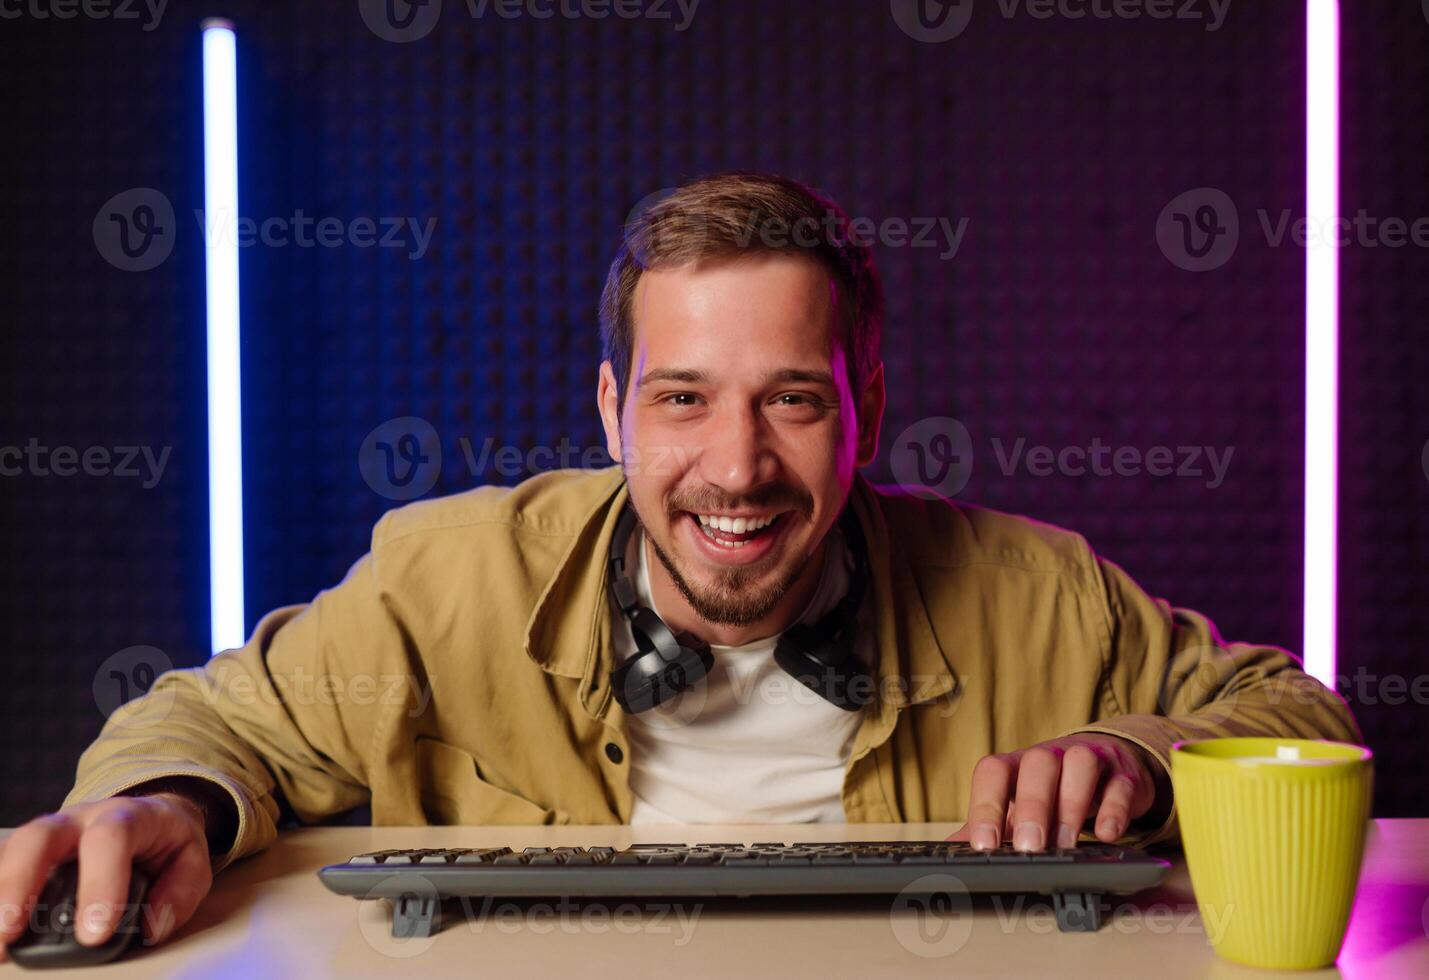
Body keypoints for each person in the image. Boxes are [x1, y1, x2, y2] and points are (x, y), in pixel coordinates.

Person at [0, 171, 1359, 956]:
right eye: (683, 399)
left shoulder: (1035, 595)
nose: (737, 467)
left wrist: (1132, 749)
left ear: (866, 411)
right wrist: (165, 800)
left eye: (793, 399)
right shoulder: (443, 582)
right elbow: (207, 723)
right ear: (610, 414)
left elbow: (1300, 715)